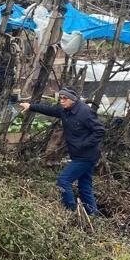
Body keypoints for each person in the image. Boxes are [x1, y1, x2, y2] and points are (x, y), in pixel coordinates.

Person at [20, 86, 105, 215]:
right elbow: (49, 110)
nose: (61, 101)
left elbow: (100, 130)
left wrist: (83, 144)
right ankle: (93, 215)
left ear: (72, 100)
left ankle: (70, 212)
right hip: (78, 155)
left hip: (86, 156)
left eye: (64, 98)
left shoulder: (85, 112)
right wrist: (31, 106)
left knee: (63, 181)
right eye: (60, 98)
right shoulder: (64, 110)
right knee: (85, 187)